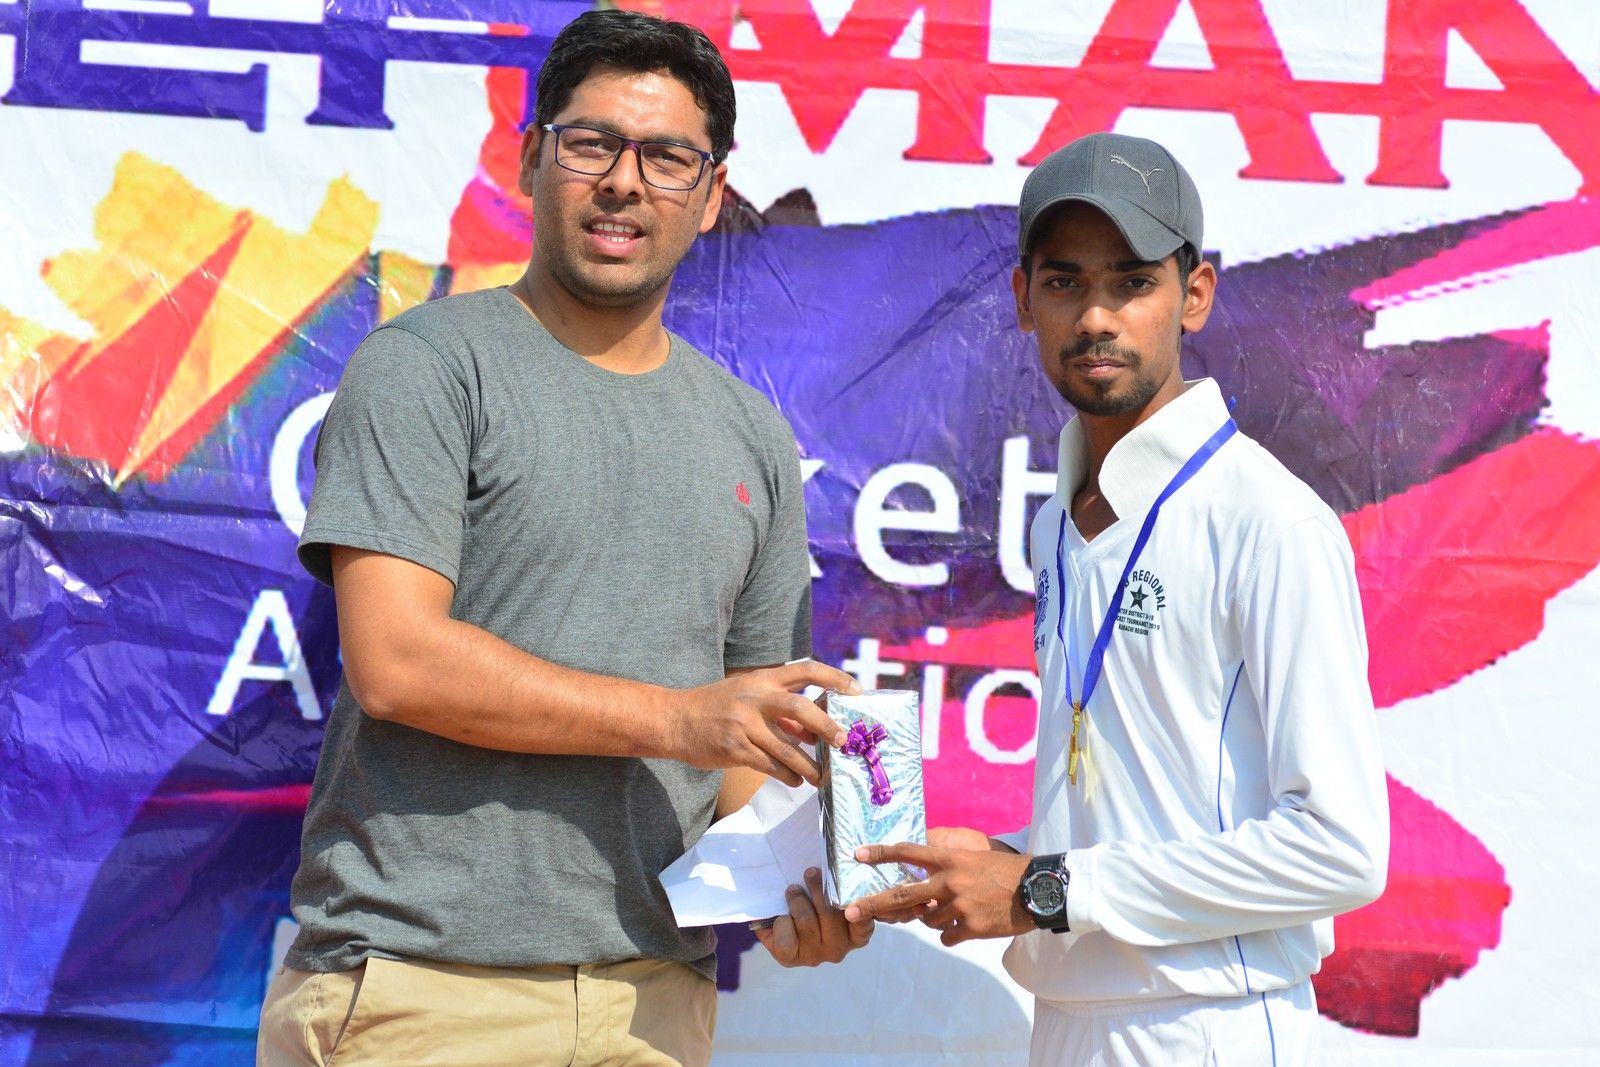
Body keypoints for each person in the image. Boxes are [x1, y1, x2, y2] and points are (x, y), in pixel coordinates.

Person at [255, 11, 870, 1067]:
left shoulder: (751, 436)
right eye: (592, 145)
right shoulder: (427, 367)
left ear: (711, 195)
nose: (625, 182)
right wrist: (680, 718)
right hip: (424, 993)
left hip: (653, 1008)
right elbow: (397, 662)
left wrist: (788, 895)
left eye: (667, 158)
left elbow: (745, 745)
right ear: (532, 158)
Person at [847, 132, 1389, 1064]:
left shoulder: (1269, 522)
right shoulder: (1058, 522)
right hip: (1068, 1020)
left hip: (1209, 1026)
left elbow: (1341, 849)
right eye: (1065, 282)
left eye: (1133, 282)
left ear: (1195, 294)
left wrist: (1044, 889)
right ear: (1024, 300)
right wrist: (1003, 859)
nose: (1096, 316)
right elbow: (1134, 816)